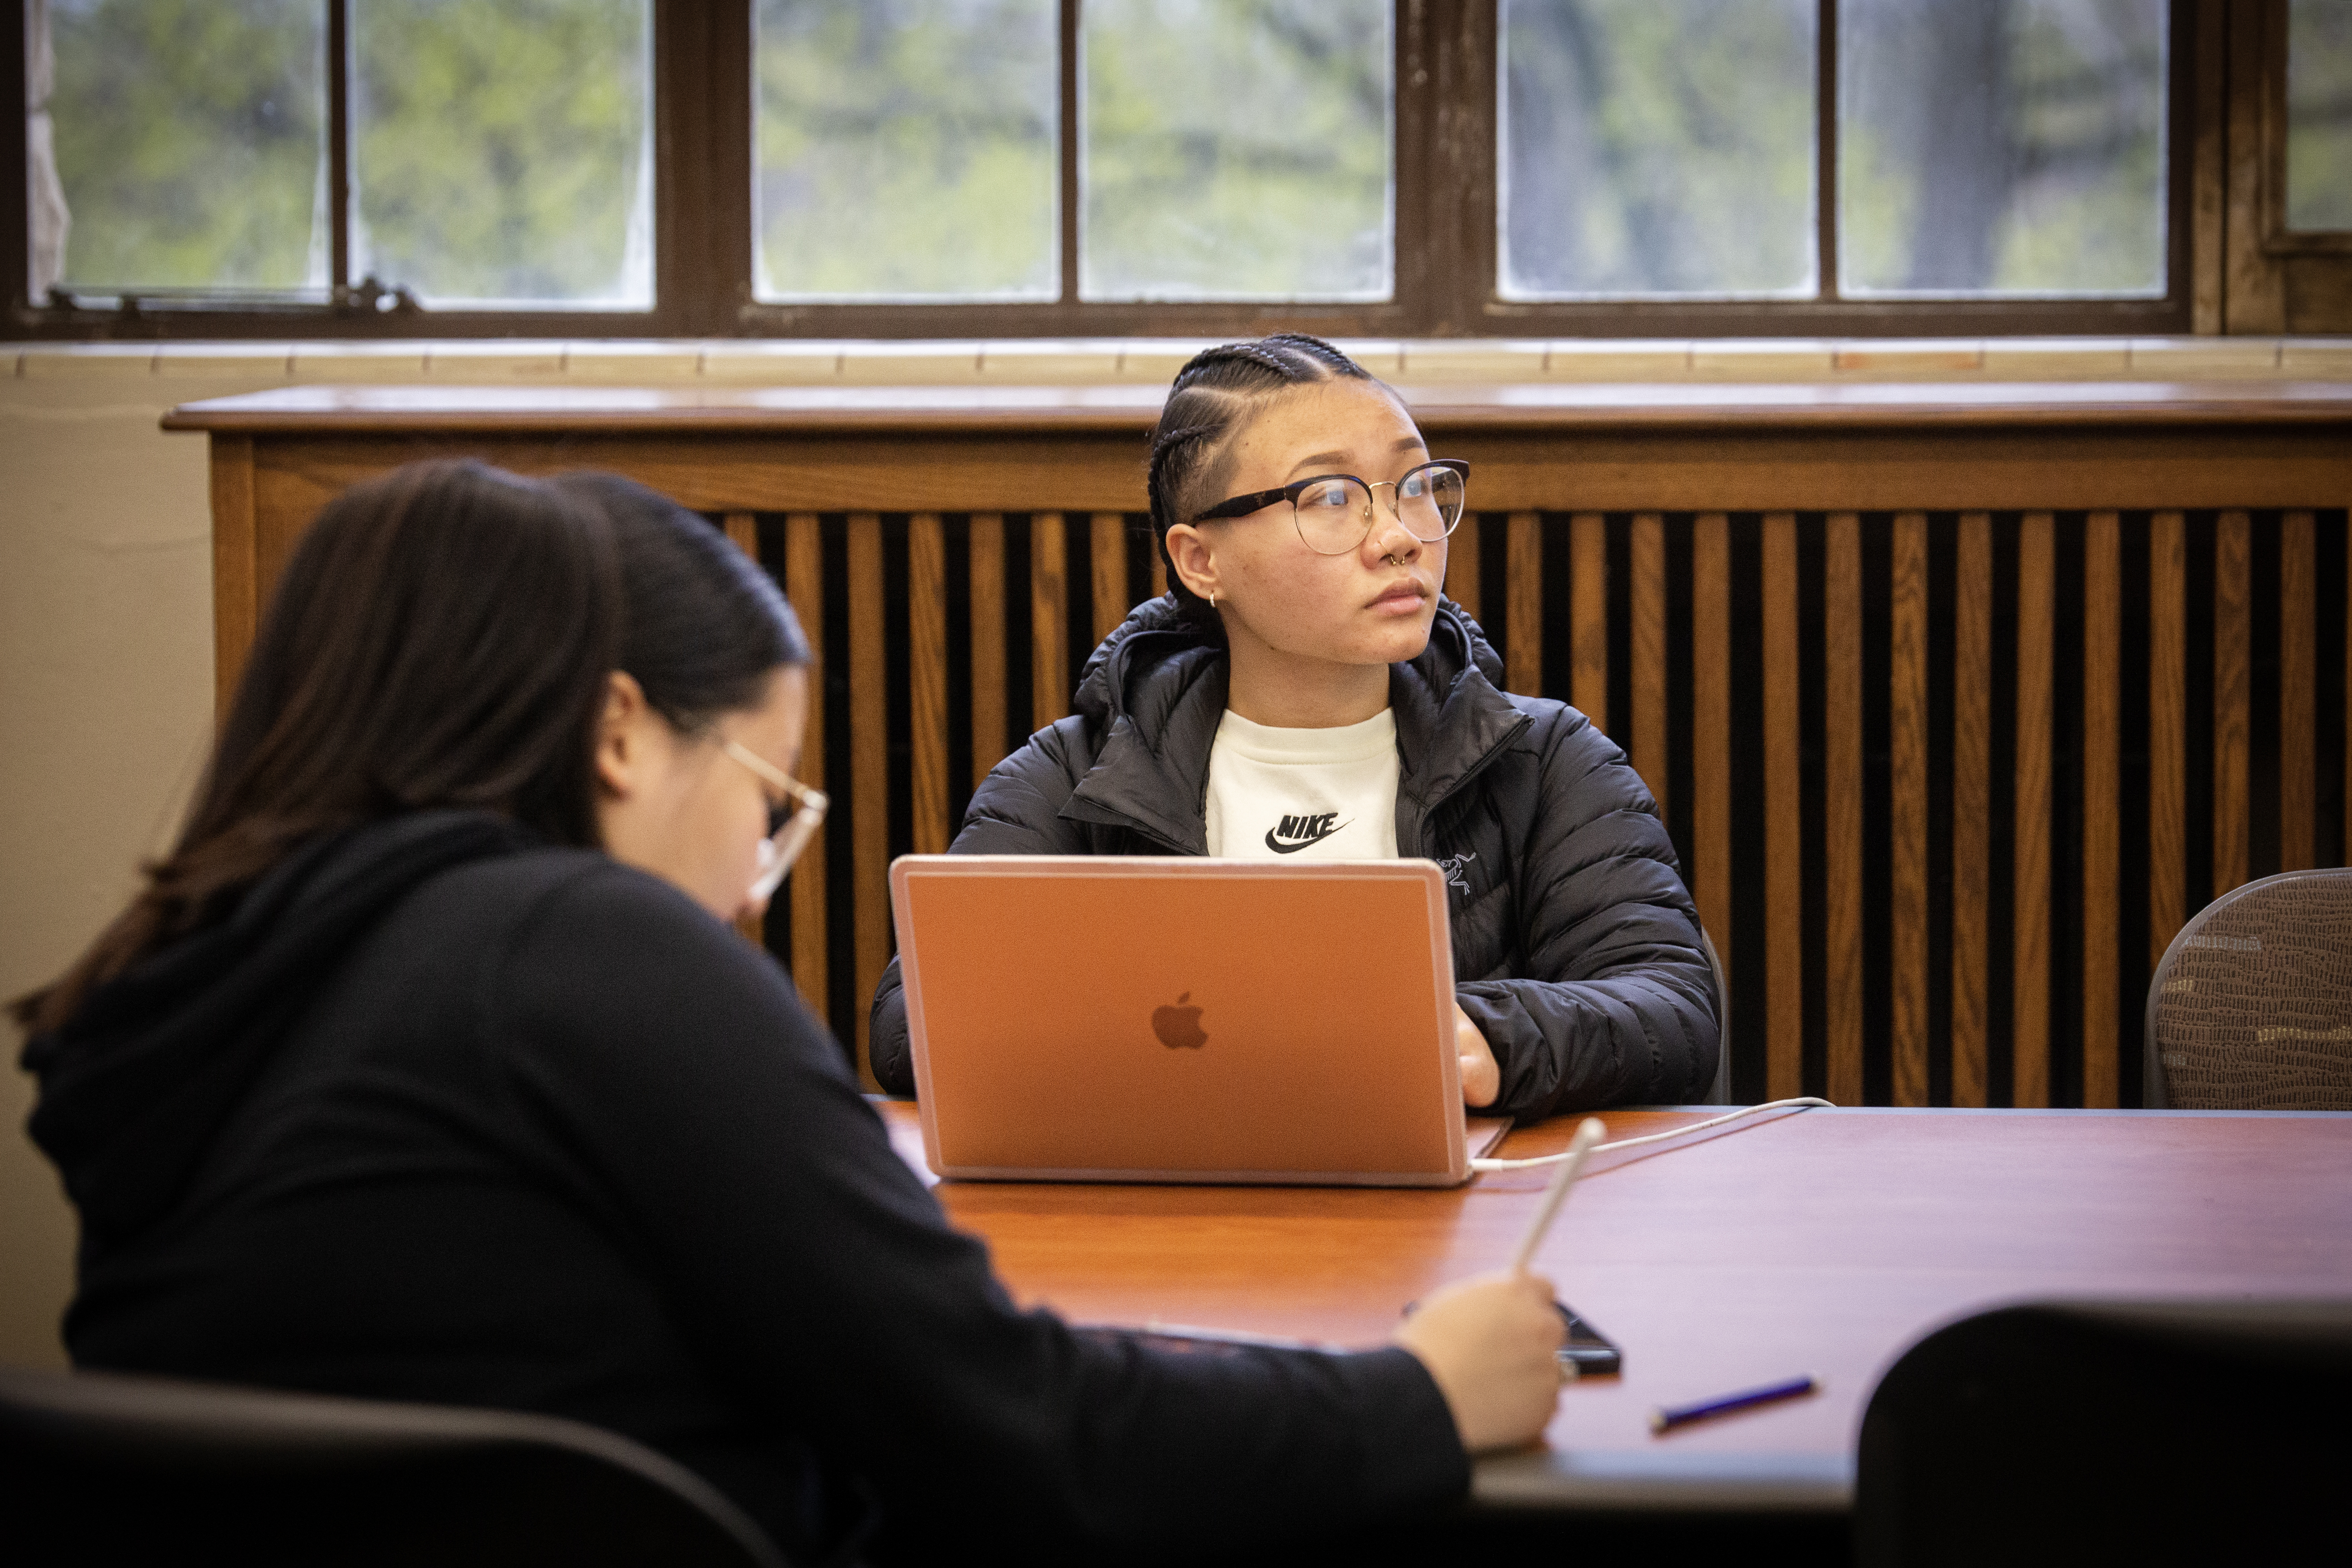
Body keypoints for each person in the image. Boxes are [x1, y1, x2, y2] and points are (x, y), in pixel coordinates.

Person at [13, 460, 1567, 1565]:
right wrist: (1414, 1395)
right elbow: (1012, 1428)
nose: (757, 887)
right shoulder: (581, 945)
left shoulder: (184, 975)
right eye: (766, 801)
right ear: (621, 733)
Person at [871, 334, 1718, 1117]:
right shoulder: (1078, 776)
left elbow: (1671, 1009)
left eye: (1416, 487)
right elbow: (912, 1023)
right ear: (1201, 561)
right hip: (1161, 1214)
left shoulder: (1543, 759)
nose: (1399, 538)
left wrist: (1482, 1038)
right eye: (1333, 497)